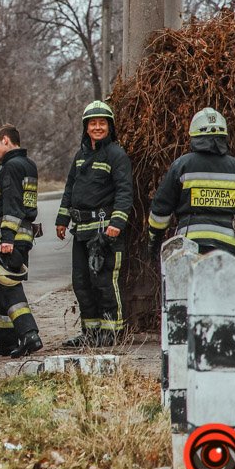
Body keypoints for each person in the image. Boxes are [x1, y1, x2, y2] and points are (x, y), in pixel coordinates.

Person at [55, 101, 134, 347]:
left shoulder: (116, 155)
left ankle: (112, 332)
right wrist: (62, 219)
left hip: (104, 232)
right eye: (93, 123)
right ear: (86, 127)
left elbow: (124, 192)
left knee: (104, 282)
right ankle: (90, 334)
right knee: (82, 284)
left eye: (102, 123)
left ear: (110, 126)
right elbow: (70, 188)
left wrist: (117, 223)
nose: (97, 127)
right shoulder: (80, 156)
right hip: (81, 231)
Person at [147, 108, 235, 272]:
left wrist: (154, 243)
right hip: (228, 251)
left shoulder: (181, 167)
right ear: (224, 136)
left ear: (194, 136)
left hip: (188, 248)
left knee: (189, 288)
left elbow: (160, 212)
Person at [0, 125, 43, 358]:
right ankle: (7, 341)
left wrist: (6, 239)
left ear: (6, 140)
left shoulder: (12, 167)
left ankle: (29, 334)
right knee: (2, 287)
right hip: (24, 235)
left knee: (8, 287)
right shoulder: (27, 164)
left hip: (13, 235)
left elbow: (12, 203)